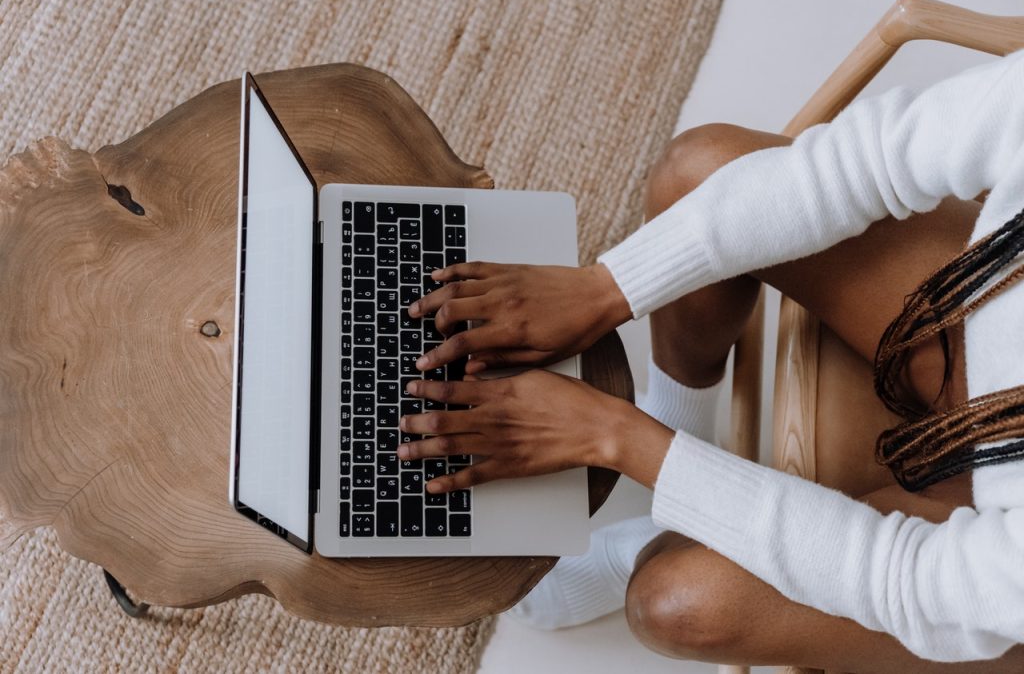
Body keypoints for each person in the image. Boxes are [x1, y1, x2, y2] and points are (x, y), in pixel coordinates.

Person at [398, 48, 1024, 670]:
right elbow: (867, 161)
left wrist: (617, 439)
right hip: (968, 311)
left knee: (676, 604)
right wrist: (605, 289)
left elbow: (912, 584)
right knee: (696, 171)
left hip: (985, 569)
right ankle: (682, 415)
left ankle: (651, 511)